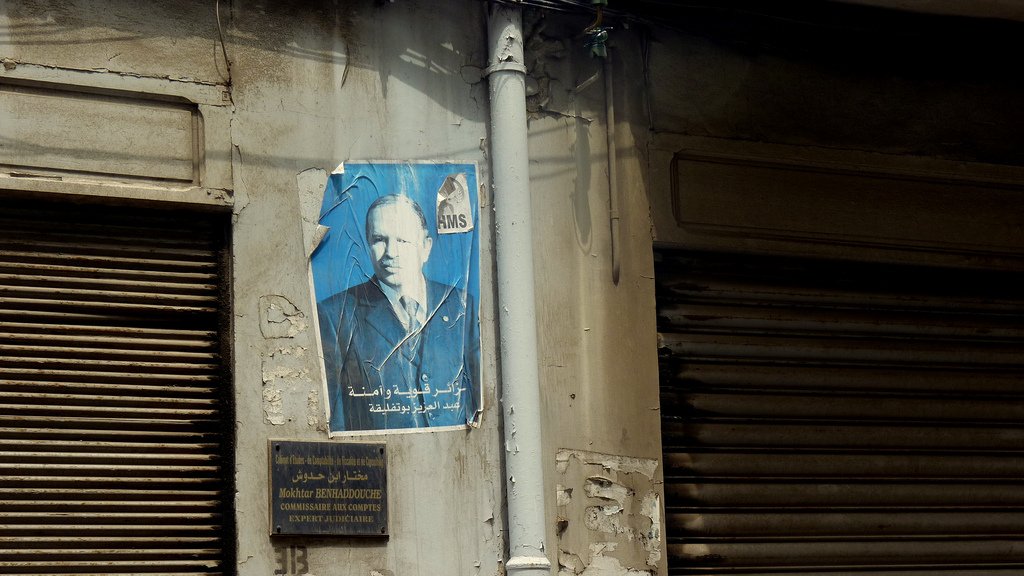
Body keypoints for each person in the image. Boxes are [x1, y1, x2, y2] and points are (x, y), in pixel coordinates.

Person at [317, 194, 479, 432]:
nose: (391, 252)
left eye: (402, 240)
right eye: (379, 239)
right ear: (368, 244)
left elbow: (479, 398)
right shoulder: (335, 315)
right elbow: (335, 423)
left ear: (425, 247)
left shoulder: (461, 306)